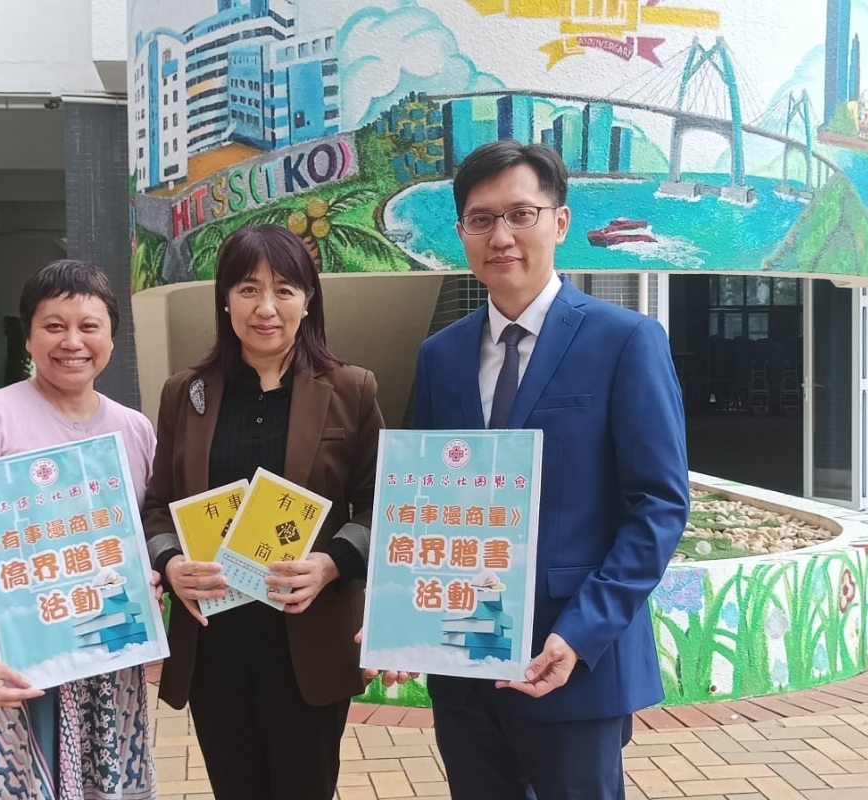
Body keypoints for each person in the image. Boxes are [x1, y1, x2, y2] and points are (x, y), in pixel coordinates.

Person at [396, 140, 690, 799]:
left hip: (573, 661)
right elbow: (429, 498)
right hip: (463, 663)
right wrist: (401, 616)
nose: (500, 236)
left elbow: (659, 505)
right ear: (461, 233)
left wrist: (581, 632)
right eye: (480, 219)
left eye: (519, 214)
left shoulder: (624, 340)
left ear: (559, 222)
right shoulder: (439, 356)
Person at [140, 224, 384, 800]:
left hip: (309, 641)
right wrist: (171, 564)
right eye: (248, 289)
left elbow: (383, 507)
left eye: (284, 290)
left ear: (308, 300)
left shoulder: (350, 388)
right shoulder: (186, 392)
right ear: (225, 300)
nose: (266, 308)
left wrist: (330, 562)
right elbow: (157, 507)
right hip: (215, 647)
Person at [0, 260, 159, 800]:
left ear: (111, 338)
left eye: (89, 326)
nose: (72, 342)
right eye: (53, 326)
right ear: (28, 336)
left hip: (107, 660)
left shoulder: (134, 429)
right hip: (7, 657)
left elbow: (141, 535)